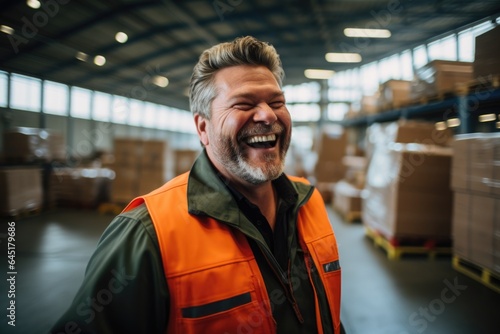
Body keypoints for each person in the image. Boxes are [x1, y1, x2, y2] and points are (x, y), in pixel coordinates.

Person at [50, 36, 342, 334]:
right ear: (203, 128)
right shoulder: (148, 235)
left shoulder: (309, 203)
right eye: (244, 104)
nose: (267, 115)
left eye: (277, 102)